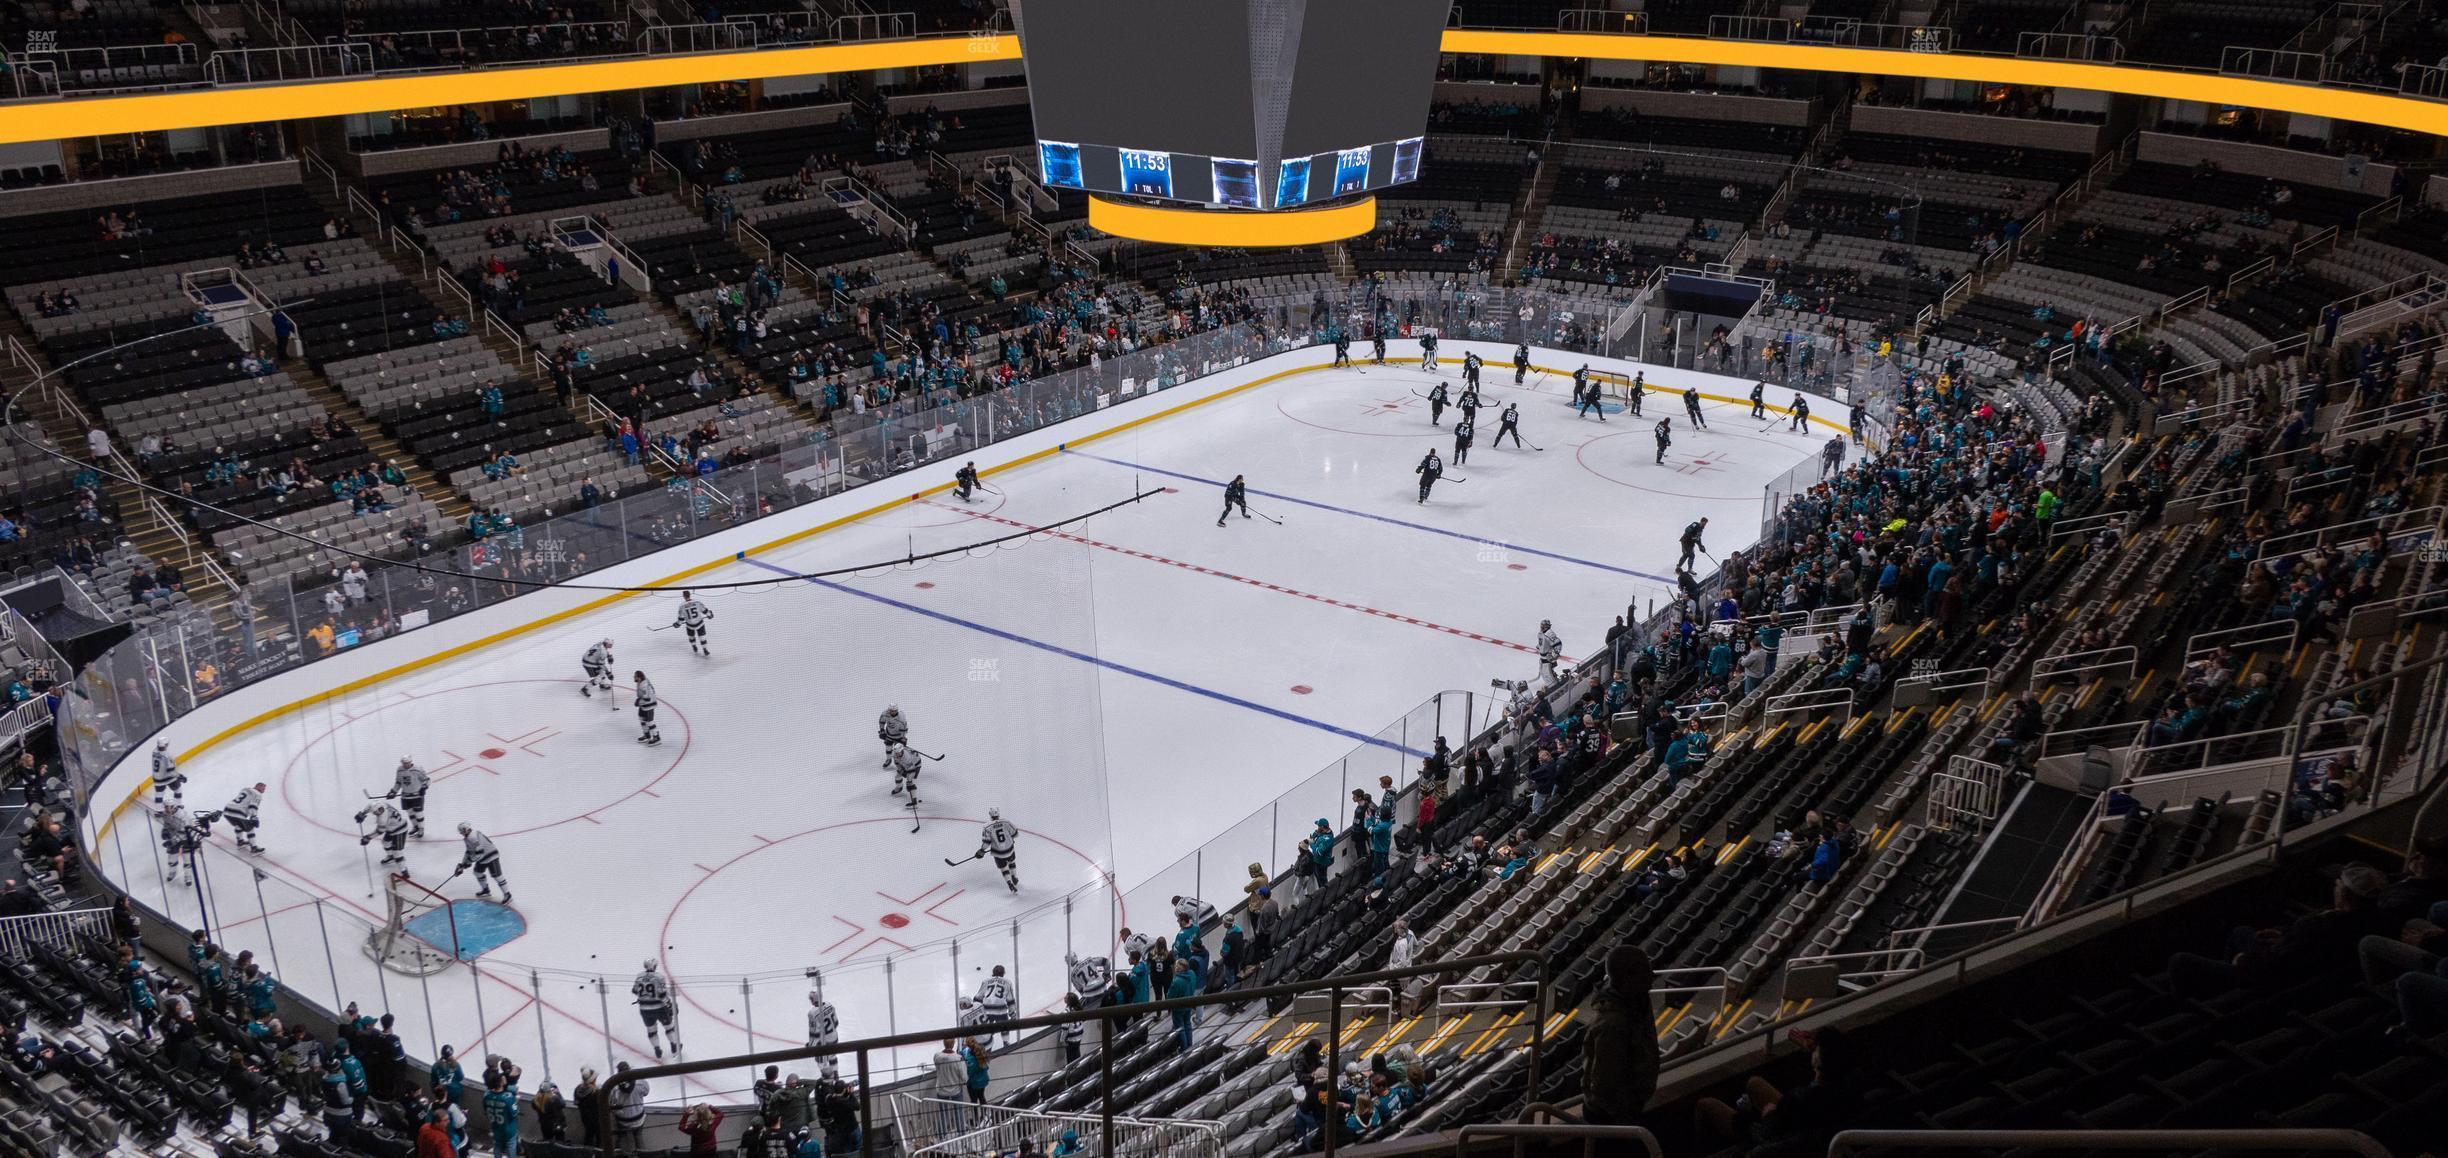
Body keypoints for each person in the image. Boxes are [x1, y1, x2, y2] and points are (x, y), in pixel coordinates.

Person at [1583, 945, 1659, 1127]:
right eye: (1645, 972)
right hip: (1612, 1117)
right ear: (1627, 980)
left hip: (1629, 1106)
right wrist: (1623, 1116)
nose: (1652, 977)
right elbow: (1604, 1085)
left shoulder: (1637, 1000)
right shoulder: (1612, 1025)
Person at [634, 959, 684, 1058]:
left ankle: (657, 1048)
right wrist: (669, 1004)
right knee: (669, 1027)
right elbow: (662, 994)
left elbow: (635, 991)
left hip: (644, 1009)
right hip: (659, 1008)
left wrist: (645, 996)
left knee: (651, 1030)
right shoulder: (659, 977)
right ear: (654, 966)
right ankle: (674, 1045)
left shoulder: (639, 976)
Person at [451, 823, 511, 902]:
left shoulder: (473, 837)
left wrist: (469, 862)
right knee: (477, 872)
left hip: (491, 856)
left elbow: (479, 853)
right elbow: (469, 852)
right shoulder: (467, 838)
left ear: (467, 829)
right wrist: (463, 863)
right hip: (483, 858)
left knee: (497, 876)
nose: (461, 833)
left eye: (462, 831)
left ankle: (507, 894)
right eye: (461, 831)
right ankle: (486, 890)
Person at [672, 590, 714, 656]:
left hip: (690, 625)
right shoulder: (697, 602)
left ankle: (694, 646)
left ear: (683, 596)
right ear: (689, 595)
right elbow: (705, 610)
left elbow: (681, 618)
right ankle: (705, 649)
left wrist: (677, 624)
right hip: (699, 623)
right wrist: (709, 615)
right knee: (702, 637)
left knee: (691, 637)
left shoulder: (682, 606)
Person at [635, 671, 661, 745]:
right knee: (641, 718)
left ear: (639, 677)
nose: (634, 678)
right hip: (643, 704)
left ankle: (656, 737)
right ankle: (647, 735)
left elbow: (647, 698)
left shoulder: (644, 685)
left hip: (649, 705)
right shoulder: (640, 682)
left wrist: (638, 701)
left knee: (649, 721)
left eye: (635, 676)